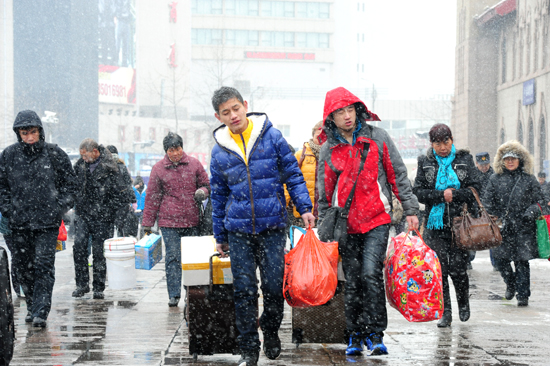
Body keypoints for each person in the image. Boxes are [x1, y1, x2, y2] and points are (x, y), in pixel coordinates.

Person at [210, 86, 314, 366]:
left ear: (245, 105)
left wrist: (304, 208)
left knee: (272, 287)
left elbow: (292, 174)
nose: (233, 116)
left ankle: (270, 331)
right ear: (218, 116)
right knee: (243, 290)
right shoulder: (219, 152)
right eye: (225, 112)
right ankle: (248, 348)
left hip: (273, 227)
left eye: (235, 108)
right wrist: (219, 234)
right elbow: (218, 195)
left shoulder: (272, 137)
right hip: (238, 231)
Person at [317, 87, 419, 356]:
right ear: (331, 118)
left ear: (357, 110)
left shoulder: (378, 138)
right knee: (351, 281)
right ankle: (353, 335)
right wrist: (323, 227)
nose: (347, 116)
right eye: (340, 112)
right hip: (345, 225)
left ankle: (375, 334)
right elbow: (324, 193)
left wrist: (410, 209)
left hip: (377, 220)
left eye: (350, 109)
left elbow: (397, 174)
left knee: (370, 275)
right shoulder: (328, 149)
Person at [0, 110, 77, 327]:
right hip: (19, 223)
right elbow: (2, 186)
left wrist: (59, 207)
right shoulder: (9, 155)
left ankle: (41, 311)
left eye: (32, 132)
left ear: (40, 131)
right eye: (24, 133)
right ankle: (33, 304)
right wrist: (8, 209)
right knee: (23, 267)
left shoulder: (54, 154)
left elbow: (70, 186)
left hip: (47, 223)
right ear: (19, 134)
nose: (29, 137)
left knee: (44, 265)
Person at [413, 124, 481, 328]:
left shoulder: (464, 159)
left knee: (459, 269)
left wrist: (456, 195)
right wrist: (440, 195)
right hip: (434, 225)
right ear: (431, 143)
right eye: (437, 142)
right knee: (438, 270)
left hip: (460, 223)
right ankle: (446, 312)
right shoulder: (425, 162)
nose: (442, 147)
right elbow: (418, 191)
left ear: (452, 140)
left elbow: (476, 188)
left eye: (446, 142)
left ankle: (463, 302)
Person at [141, 132, 210, 307]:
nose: (175, 153)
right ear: (166, 151)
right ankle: (174, 294)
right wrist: (147, 223)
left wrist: (202, 192)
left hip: (192, 219)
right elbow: (152, 197)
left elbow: (206, 184)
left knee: (193, 258)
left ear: (182, 147)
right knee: (173, 257)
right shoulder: (158, 169)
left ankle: (192, 291)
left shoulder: (194, 164)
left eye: (177, 148)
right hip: (169, 222)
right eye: (171, 150)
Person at [482, 140, 545, 307]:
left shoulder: (529, 179)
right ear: (502, 161)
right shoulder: (495, 179)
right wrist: (494, 216)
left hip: (524, 227)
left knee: (521, 261)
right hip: (502, 228)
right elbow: (487, 201)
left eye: (514, 158)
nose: (510, 161)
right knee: (500, 260)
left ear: (520, 160)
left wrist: (531, 211)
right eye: (507, 158)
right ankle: (510, 283)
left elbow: (541, 202)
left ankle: (523, 295)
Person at [72, 139, 127, 300]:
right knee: (79, 248)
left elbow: (121, 194)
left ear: (95, 151)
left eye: (85, 155)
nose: (83, 158)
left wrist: (110, 211)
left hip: (103, 216)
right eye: (81, 155)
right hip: (83, 214)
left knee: (99, 252)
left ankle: (98, 287)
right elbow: (73, 186)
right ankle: (81, 284)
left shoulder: (111, 168)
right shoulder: (79, 167)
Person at [286, 120, 323, 227]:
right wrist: (284, 204)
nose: (321, 140)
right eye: (318, 136)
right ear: (313, 135)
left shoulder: (333, 156)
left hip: (325, 216)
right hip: (302, 215)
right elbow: (289, 180)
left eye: (324, 137)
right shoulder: (300, 155)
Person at [106, 145, 136, 236]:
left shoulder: (104, 167)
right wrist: (133, 200)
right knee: (121, 229)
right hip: (121, 203)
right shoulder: (122, 167)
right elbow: (128, 185)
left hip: (109, 203)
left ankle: (111, 245)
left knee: (109, 229)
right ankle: (119, 245)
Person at [475, 152, 497, 271]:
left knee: (493, 236)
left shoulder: (495, 175)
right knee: (472, 234)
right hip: (475, 210)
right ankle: (469, 259)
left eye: (486, 164)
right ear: (476, 164)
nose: (484, 167)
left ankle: (496, 262)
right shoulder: (472, 175)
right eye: (481, 165)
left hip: (491, 210)